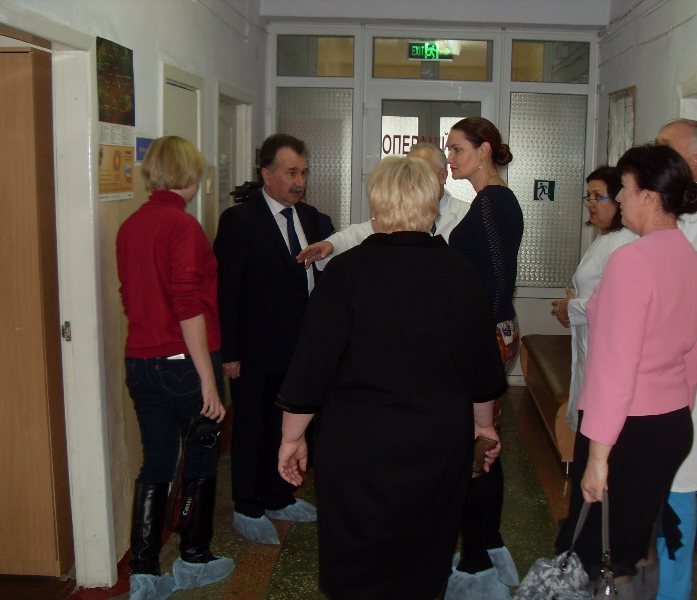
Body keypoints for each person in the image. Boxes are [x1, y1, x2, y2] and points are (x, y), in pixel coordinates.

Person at [276, 155, 508, 600]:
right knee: (425, 548)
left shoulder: (345, 272)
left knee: (356, 553)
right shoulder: (460, 273)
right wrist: (483, 428)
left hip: (358, 445)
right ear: (431, 205)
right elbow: (482, 368)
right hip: (437, 443)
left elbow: (312, 365)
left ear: (377, 206)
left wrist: (292, 437)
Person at [555, 144, 697, 600]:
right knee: (638, 543)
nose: (619, 198)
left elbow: (615, 367)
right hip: (670, 424)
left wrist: (598, 457)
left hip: (623, 429)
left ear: (649, 194)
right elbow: (693, 358)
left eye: (624, 188)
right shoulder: (691, 260)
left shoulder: (632, 261)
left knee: (599, 551)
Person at [116, 136, 234, 599]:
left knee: (158, 461)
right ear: (189, 176)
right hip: (184, 363)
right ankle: (194, 559)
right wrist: (208, 380)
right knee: (201, 458)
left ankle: (144, 574)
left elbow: (131, 297)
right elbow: (189, 307)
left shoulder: (130, 226)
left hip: (140, 361)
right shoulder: (183, 227)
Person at [214, 133, 321, 545]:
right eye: (291, 173)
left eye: (303, 173)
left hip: (298, 351)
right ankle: (248, 504)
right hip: (255, 351)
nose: (299, 182)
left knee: (287, 426)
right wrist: (230, 352)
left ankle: (278, 495)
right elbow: (227, 291)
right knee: (251, 429)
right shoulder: (240, 221)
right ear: (267, 173)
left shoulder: (309, 218)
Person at [444, 116, 524, 600]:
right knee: (486, 440)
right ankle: (489, 543)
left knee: (477, 445)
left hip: (487, 335)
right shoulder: (491, 199)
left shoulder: (493, 200)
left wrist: (482, 341)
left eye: (457, 149)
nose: (450, 158)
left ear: (484, 149)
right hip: (491, 332)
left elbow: (497, 276)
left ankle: (475, 561)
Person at [654, 118, 697, 600]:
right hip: (666, 370)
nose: (655, 153)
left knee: (677, 490)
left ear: (694, 162)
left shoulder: (695, 222)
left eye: (665, 147)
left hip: (679, 367)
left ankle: (673, 593)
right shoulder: (676, 214)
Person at [550, 167, 637, 430]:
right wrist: (570, 310)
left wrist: (571, 307)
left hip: (607, 352)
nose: (590, 203)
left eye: (598, 196)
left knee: (598, 425)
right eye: (588, 196)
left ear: (618, 199)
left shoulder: (624, 244)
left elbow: (617, 306)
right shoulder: (605, 239)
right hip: (589, 342)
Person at [296, 141, 470, 269]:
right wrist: (332, 244)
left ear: (442, 176)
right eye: (406, 173)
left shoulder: (466, 215)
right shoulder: (394, 211)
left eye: (421, 174)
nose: (410, 181)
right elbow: (360, 233)